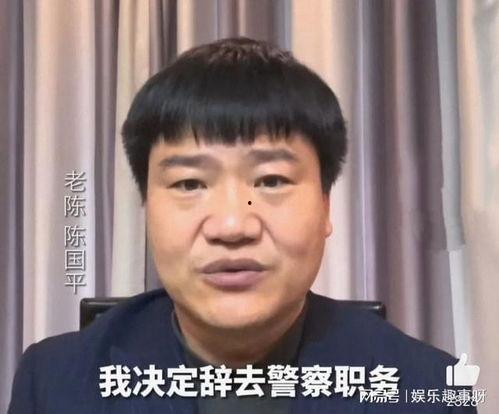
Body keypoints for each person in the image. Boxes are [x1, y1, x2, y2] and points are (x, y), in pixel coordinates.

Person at [8, 37, 476, 413]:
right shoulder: (53, 382)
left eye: (271, 180)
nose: (232, 224)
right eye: (190, 184)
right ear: (147, 209)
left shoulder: (430, 389)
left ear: (326, 207)